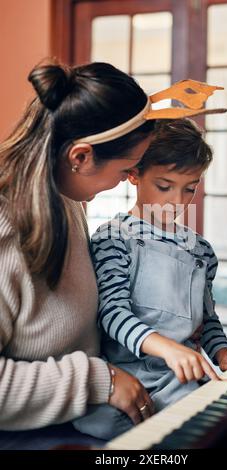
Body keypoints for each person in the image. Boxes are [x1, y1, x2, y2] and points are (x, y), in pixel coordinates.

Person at [0, 60, 159, 432]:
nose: (127, 182)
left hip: (77, 422)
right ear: (81, 157)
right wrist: (95, 381)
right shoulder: (6, 232)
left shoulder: (65, 198)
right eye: (125, 170)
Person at [73, 118, 227, 440]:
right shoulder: (114, 237)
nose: (178, 201)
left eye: (190, 188)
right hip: (128, 372)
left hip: (183, 373)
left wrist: (222, 352)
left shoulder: (201, 250)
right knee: (101, 420)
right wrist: (168, 348)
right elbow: (111, 314)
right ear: (133, 174)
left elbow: (208, 321)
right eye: (164, 186)